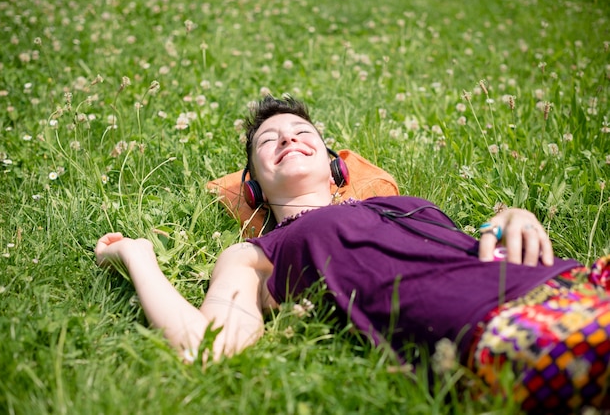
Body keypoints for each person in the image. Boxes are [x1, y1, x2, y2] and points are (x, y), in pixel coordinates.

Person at [96, 95, 610, 413]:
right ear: (251, 188)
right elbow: (207, 348)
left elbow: (473, 247)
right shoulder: (257, 252)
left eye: (303, 133)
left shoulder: (409, 205)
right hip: (508, 329)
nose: (288, 139)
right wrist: (139, 256)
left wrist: (510, 217)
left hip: (581, 280)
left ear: (336, 167)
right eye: (268, 140)